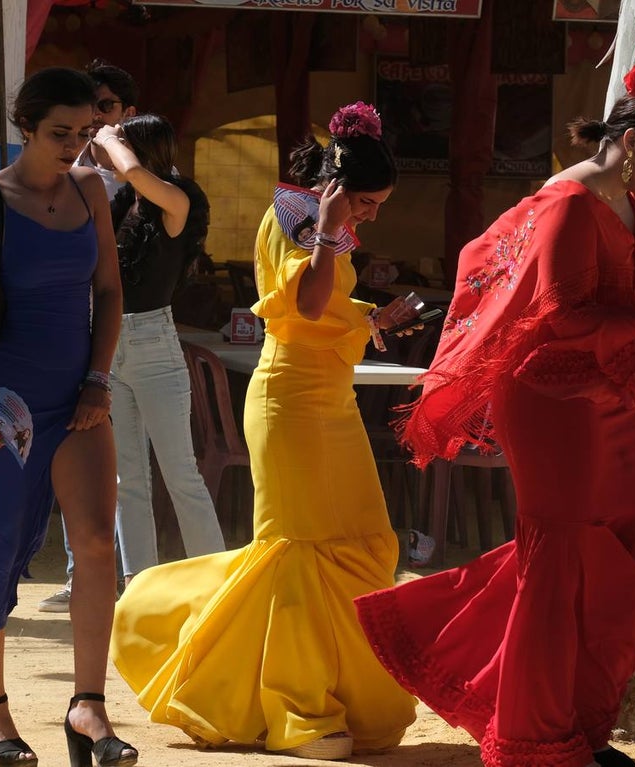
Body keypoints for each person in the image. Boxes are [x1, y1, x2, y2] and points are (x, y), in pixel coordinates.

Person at [354, 51, 635, 767]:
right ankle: (539, 740)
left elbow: (611, 310)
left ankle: (565, 722)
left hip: (598, 396)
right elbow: (560, 319)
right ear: (630, 144)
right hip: (548, 398)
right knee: (558, 561)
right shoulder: (566, 205)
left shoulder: (627, 200)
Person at [110, 101, 418, 760]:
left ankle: (335, 690)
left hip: (328, 401)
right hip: (287, 405)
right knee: (299, 554)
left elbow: (326, 304)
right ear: (334, 186)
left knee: (365, 542)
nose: (371, 214)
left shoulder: (325, 222)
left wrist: (371, 317)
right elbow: (303, 303)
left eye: (375, 205)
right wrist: (335, 231)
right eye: (365, 201)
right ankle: (301, 709)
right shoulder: (292, 217)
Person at [0, 67, 137, 767]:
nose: (75, 148)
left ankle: (88, 706)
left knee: (95, 545)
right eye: (61, 134)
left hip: (78, 398)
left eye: (86, 134)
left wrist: (97, 379)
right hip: (6, 402)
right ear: (25, 127)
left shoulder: (91, 190)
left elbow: (109, 291)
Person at [89, 113, 225, 584]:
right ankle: (139, 583)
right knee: (128, 478)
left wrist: (110, 138)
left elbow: (131, 171)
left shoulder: (178, 197)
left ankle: (211, 580)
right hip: (112, 339)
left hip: (153, 341)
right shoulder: (126, 201)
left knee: (179, 471)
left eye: (121, 142)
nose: (106, 146)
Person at [39, 58, 141, 613]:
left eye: (105, 108)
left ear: (127, 113)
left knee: (124, 463)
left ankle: (123, 575)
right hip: (68, 329)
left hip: (123, 324)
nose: (95, 119)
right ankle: (84, 572)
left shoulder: (139, 170)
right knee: (77, 455)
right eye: (88, 108)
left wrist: (111, 149)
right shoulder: (57, 172)